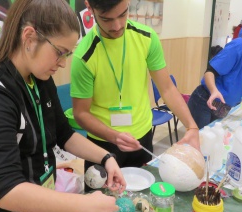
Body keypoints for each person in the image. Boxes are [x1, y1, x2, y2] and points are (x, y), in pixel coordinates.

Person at [0, 0, 126, 212]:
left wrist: (106, 157)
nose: (63, 63)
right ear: (29, 36)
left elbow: (63, 134)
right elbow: (6, 189)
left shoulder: (40, 78)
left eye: (68, 54)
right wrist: (82, 205)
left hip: (38, 202)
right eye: (60, 52)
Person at [70, 0, 200, 174]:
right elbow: (81, 113)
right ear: (89, 7)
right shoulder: (84, 56)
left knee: (143, 199)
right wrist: (113, 136)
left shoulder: (146, 38)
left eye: (123, 14)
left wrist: (191, 126)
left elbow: (167, 88)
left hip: (142, 139)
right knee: (104, 199)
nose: (117, 26)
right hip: (103, 145)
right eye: (106, 19)